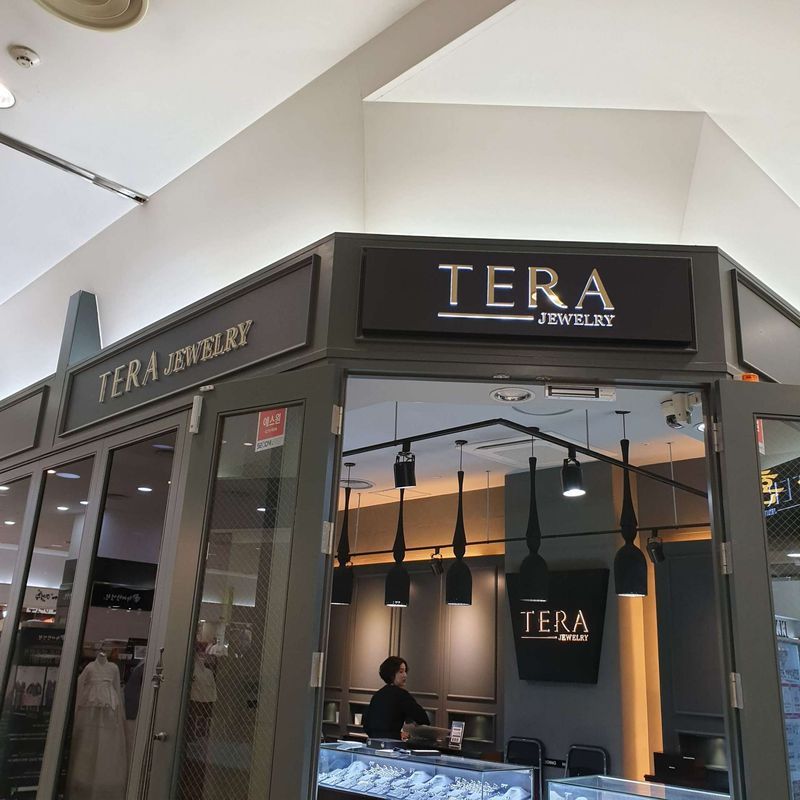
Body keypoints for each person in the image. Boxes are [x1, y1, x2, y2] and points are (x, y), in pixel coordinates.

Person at [363, 656, 428, 740]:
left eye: (405, 671)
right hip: (392, 744)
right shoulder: (402, 695)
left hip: (373, 743)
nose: (405, 675)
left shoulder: (377, 695)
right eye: (401, 672)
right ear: (391, 674)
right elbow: (423, 718)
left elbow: (367, 726)